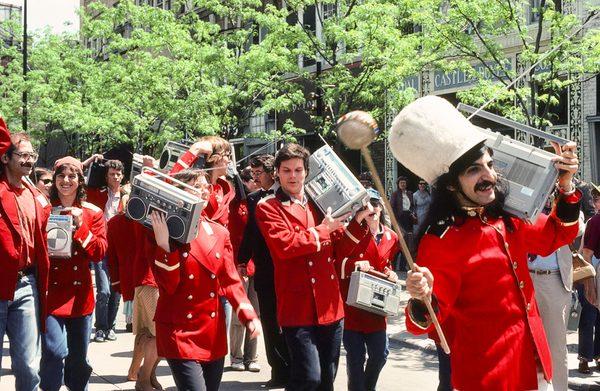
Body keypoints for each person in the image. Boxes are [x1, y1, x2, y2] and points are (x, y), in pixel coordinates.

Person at [390, 96, 581, 390]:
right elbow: (424, 322)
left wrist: (566, 185)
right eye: (474, 170)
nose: (489, 176)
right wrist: (420, 295)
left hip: (535, 365)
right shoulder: (441, 240)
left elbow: (556, 235)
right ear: (452, 184)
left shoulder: (507, 218)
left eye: (490, 165)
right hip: (487, 375)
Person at [255, 143, 371, 391]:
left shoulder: (320, 203)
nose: (293, 176)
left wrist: (359, 221)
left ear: (307, 171)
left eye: (298, 170)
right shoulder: (268, 207)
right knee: (308, 378)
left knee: (327, 380)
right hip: (297, 307)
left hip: (329, 305)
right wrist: (323, 230)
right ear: (277, 172)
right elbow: (285, 245)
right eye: (286, 170)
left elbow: (340, 249)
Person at [149, 168, 260, 391]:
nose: (201, 192)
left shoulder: (219, 232)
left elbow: (230, 280)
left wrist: (247, 314)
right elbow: (168, 286)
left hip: (211, 331)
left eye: (203, 187)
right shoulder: (160, 229)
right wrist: (164, 246)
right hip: (179, 330)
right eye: (192, 187)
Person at [39, 156, 107, 391]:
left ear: (80, 180)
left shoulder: (92, 213)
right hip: (51, 294)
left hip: (80, 298)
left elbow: (99, 253)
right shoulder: (42, 209)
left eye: (71, 176)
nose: (66, 181)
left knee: (78, 360)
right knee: (54, 352)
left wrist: (81, 227)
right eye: (61, 176)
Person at [0, 121, 51, 391]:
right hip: (0, 283)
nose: (29, 161)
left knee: (29, 367)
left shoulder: (36, 196)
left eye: (33, 156)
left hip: (27, 285)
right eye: (23, 155)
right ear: (5, 157)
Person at [335, 188, 399, 391]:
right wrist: (356, 264)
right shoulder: (352, 232)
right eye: (366, 206)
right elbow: (338, 263)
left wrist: (391, 273)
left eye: (375, 204)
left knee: (380, 354)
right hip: (353, 305)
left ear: (381, 208)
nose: (372, 209)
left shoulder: (391, 237)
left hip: (376, 307)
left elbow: (385, 263)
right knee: (355, 359)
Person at [238, 154, 291, 387]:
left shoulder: (288, 195)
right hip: (264, 272)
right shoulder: (252, 199)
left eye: (259, 173)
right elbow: (250, 233)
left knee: (291, 322)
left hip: (289, 271)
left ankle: (296, 369)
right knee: (269, 323)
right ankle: (278, 372)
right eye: (253, 173)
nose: (254, 177)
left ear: (272, 172)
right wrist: (242, 260)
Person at [528, 194, 583, 389]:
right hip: (524, 277)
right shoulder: (526, 206)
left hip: (553, 280)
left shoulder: (566, 207)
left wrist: (557, 208)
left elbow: (578, 229)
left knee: (555, 346)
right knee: (524, 344)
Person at [86, 158, 128, 342]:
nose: (116, 177)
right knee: (104, 291)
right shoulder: (97, 193)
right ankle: (100, 327)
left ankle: (110, 326)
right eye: (112, 174)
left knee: (116, 290)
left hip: (120, 249)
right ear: (106, 176)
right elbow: (81, 177)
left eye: (119, 174)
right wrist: (91, 161)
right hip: (101, 247)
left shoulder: (128, 196)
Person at [228, 166, 261, 372]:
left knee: (255, 313)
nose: (256, 184)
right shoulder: (236, 203)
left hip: (256, 266)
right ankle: (236, 355)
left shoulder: (258, 203)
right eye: (253, 180)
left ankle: (252, 356)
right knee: (239, 313)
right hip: (238, 264)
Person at [578, 184, 600, 374]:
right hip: (595, 271)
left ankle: (598, 355)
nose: (595, 201)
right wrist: (589, 282)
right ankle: (584, 357)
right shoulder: (594, 222)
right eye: (594, 198)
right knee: (589, 315)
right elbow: (587, 254)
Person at [390, 176, 415, 270]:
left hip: (408, 219)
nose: (403, 184)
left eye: (404, 183)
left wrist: (413, 214)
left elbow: (412, 206)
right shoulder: (395, 194)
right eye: (401, 183)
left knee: (407, 244)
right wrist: (395, 222)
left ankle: (402, 266)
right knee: (398, 243)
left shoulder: (410, 193)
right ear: (398, 184)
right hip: (399, 219)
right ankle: (392, 265)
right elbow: (391, 208)